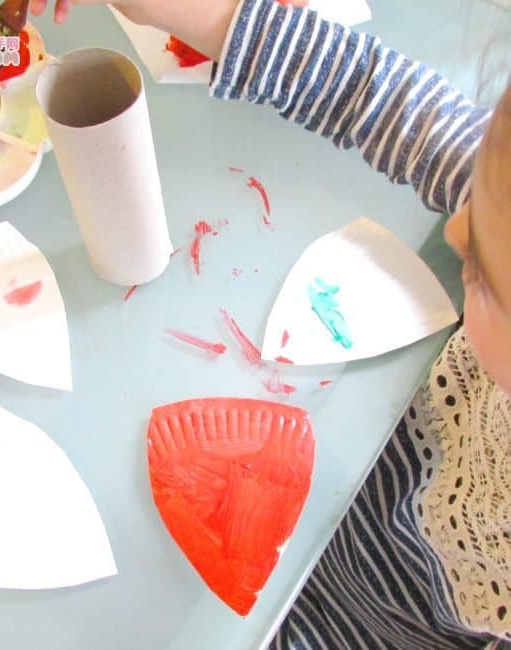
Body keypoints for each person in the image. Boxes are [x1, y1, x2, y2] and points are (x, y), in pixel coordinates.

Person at [32, 0, 511, 645]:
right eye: (474, 197)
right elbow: (386, 102)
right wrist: (211, 17)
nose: (455, 226)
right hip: (412, 457)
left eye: (478, 271)